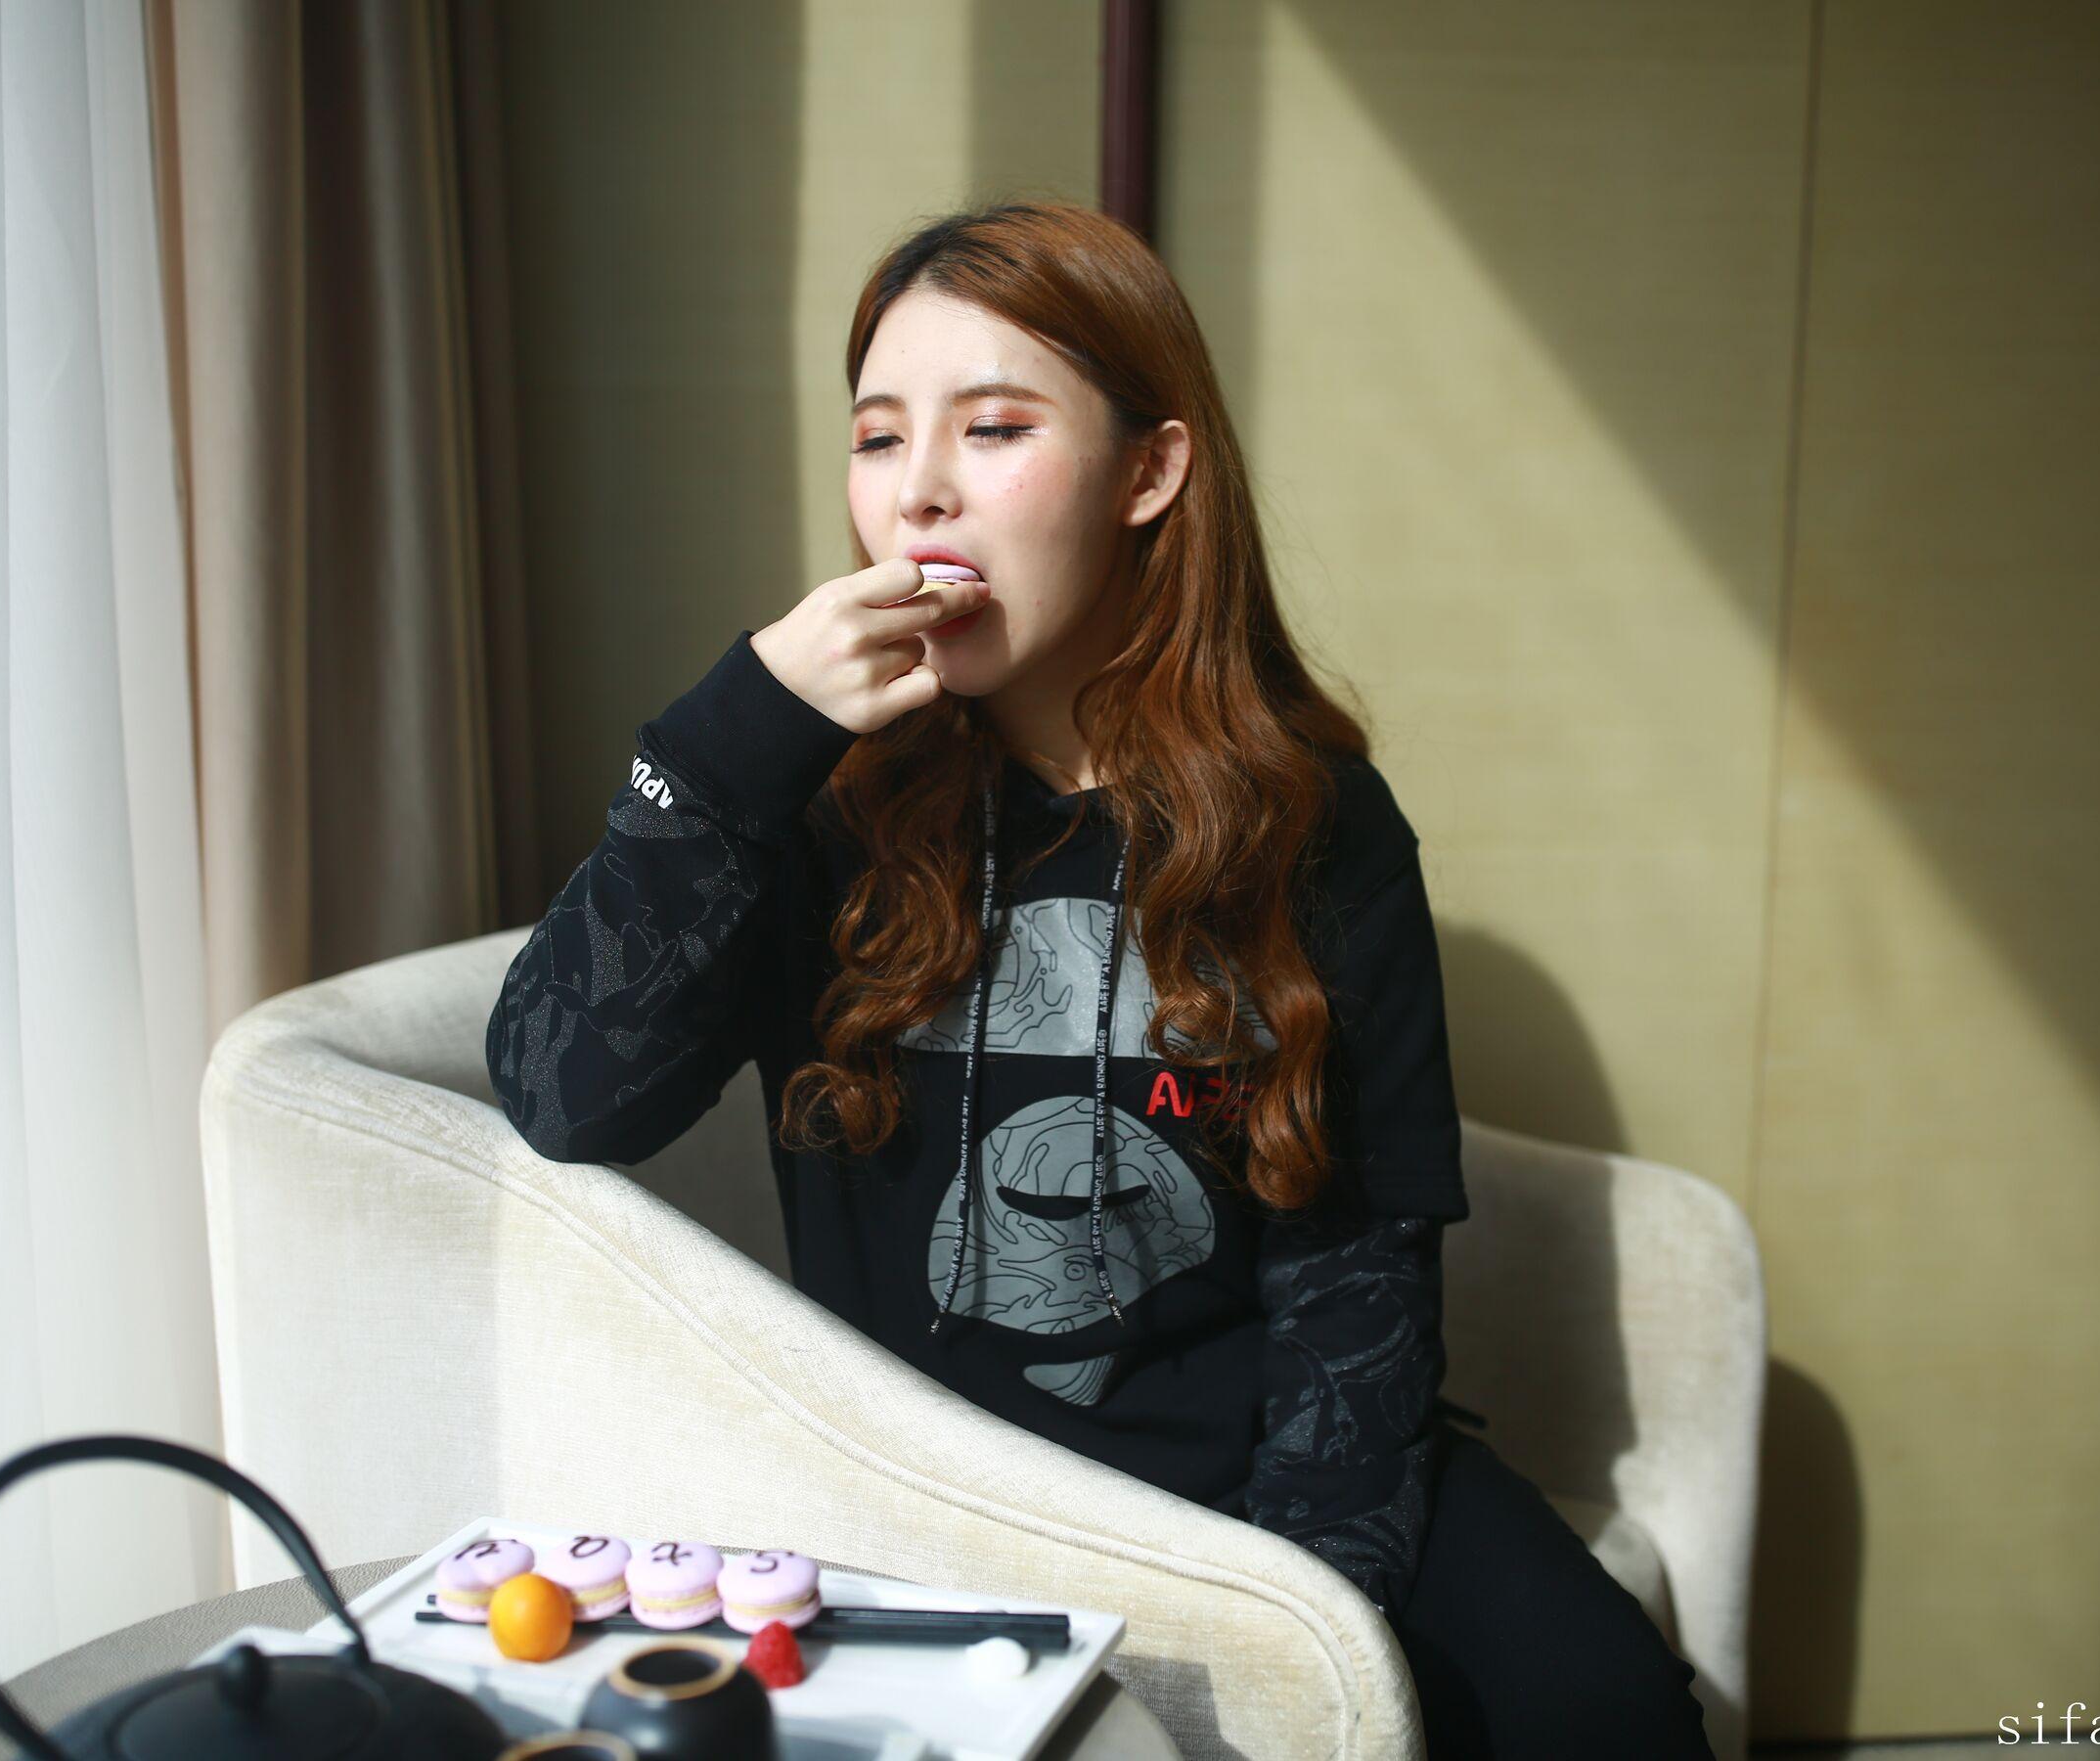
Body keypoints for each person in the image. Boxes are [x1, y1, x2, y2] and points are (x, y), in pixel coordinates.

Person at [484, 199, 1713, 1759]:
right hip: (936, 1496)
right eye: (878, 438)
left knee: (1609, 1713)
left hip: (1256, 1475)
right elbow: (563, 1096)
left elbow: (1355, 1271)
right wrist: (737, 737)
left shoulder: (1314, 822)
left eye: (994, 429)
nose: (919, 489)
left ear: (1151, 473)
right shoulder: (808, 801)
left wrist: (1305, 1616)